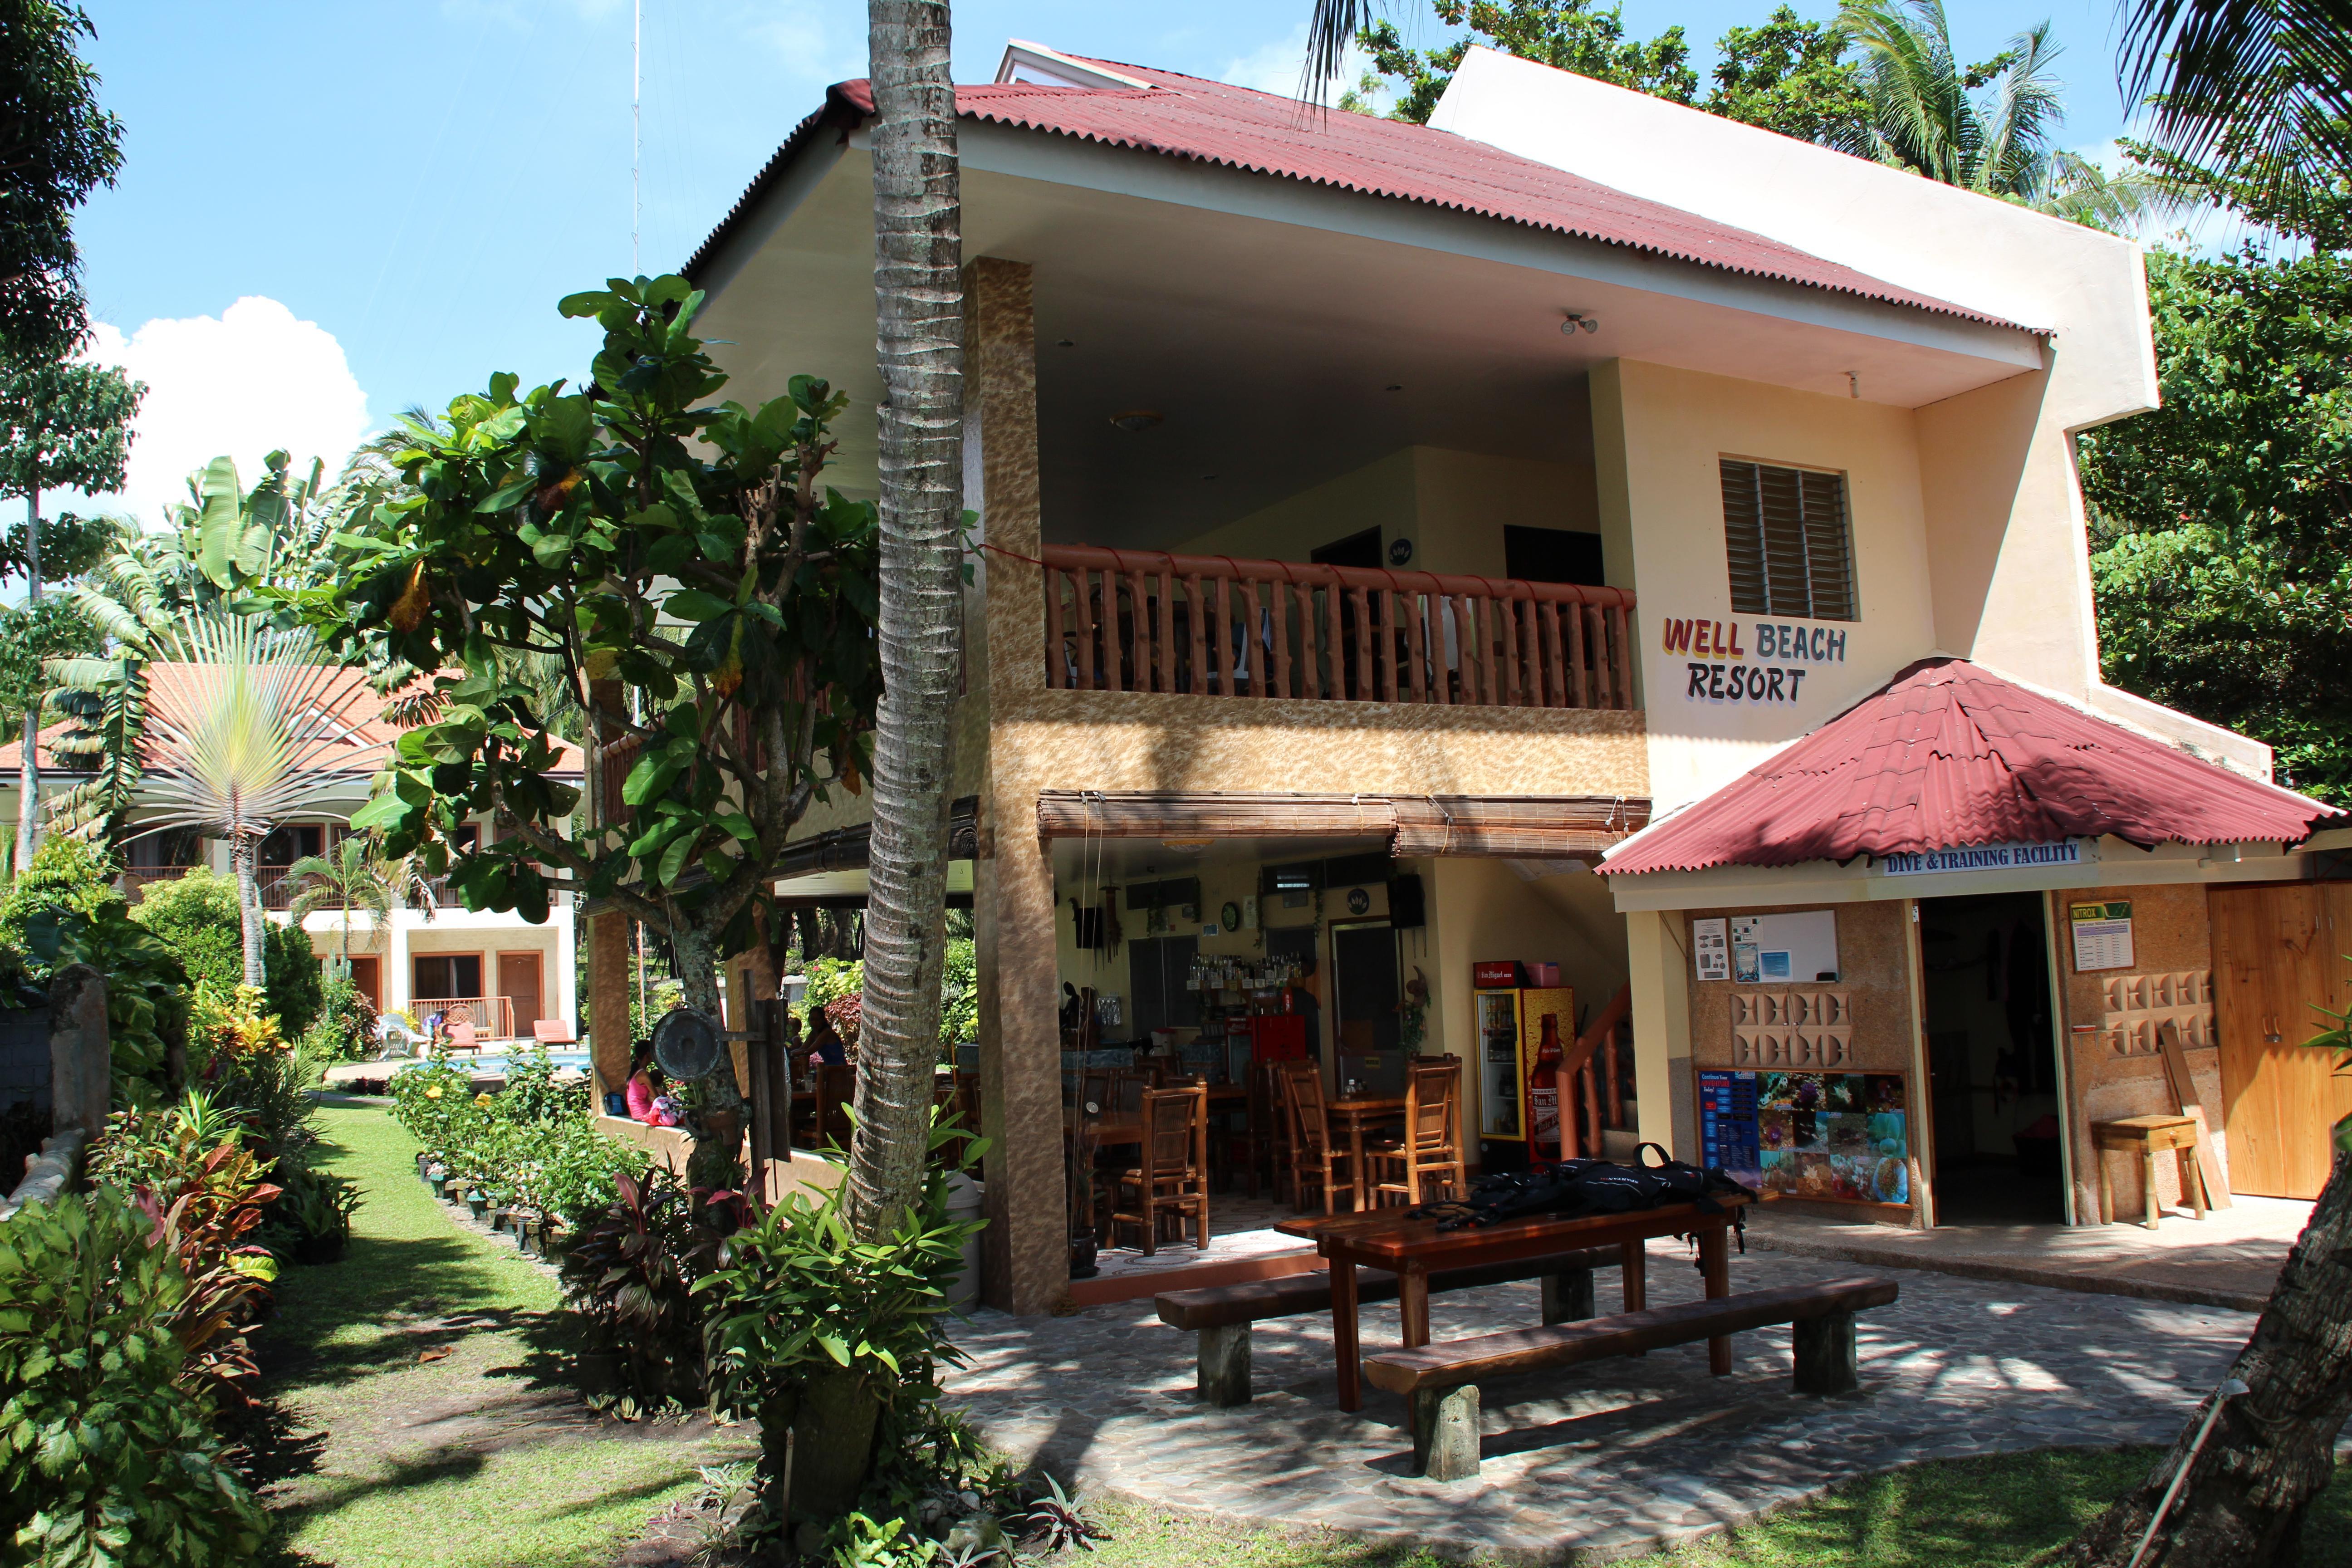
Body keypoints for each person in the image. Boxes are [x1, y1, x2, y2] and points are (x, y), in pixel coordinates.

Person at [625, 1041, 679, 1127]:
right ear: (648, 1055)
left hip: (637, 1115)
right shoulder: (643, 1074)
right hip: (643, 1116)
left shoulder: (636, 1073)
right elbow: (657, 1098)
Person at [805, 1004, 848, 1068]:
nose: (814, 1022)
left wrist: (792, 1053)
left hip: (840, 1070)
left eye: (817, 1020)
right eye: (812, 1020)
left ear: (823, 1020)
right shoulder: (813, 1034)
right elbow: (803, 1048)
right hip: (828, 1070)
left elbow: (808, 1051)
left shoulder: (827, 1033)